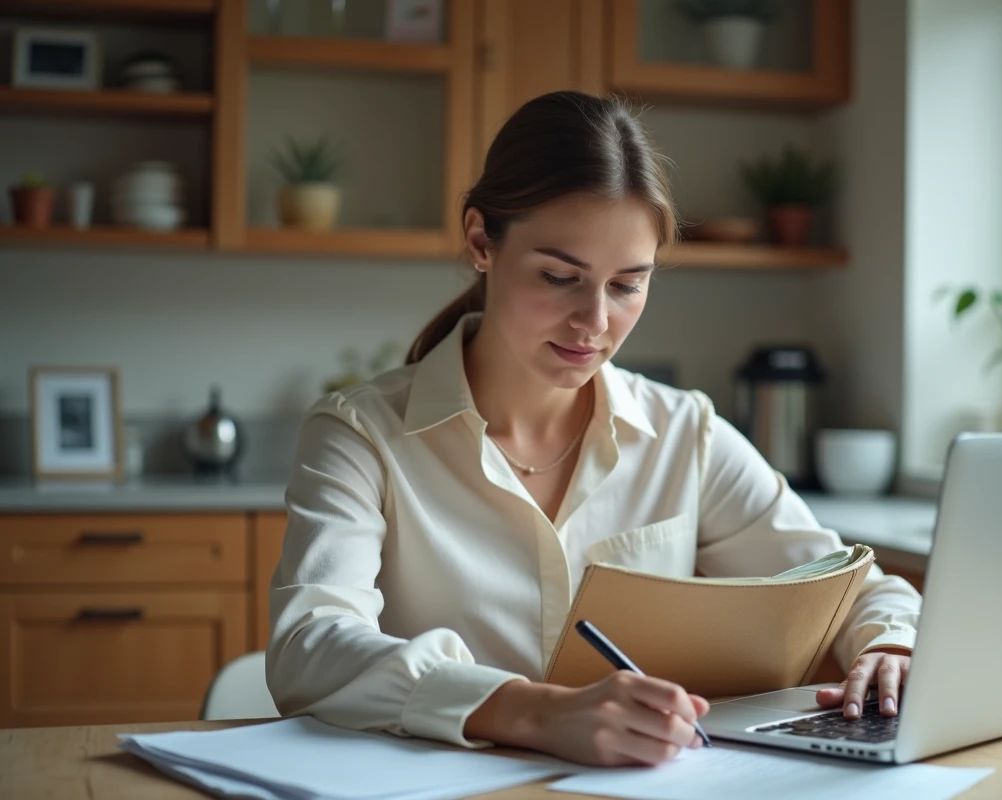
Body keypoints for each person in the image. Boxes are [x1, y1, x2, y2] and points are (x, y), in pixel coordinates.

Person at [266, 90, 921, 768]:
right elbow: (309, 647)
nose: (594, 322)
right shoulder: (361, 434)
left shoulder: (684, 434)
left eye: (627, 285)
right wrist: (535, 710)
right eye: (559, 277)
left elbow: (849, 585)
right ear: (480, 242)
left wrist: (888, 644)